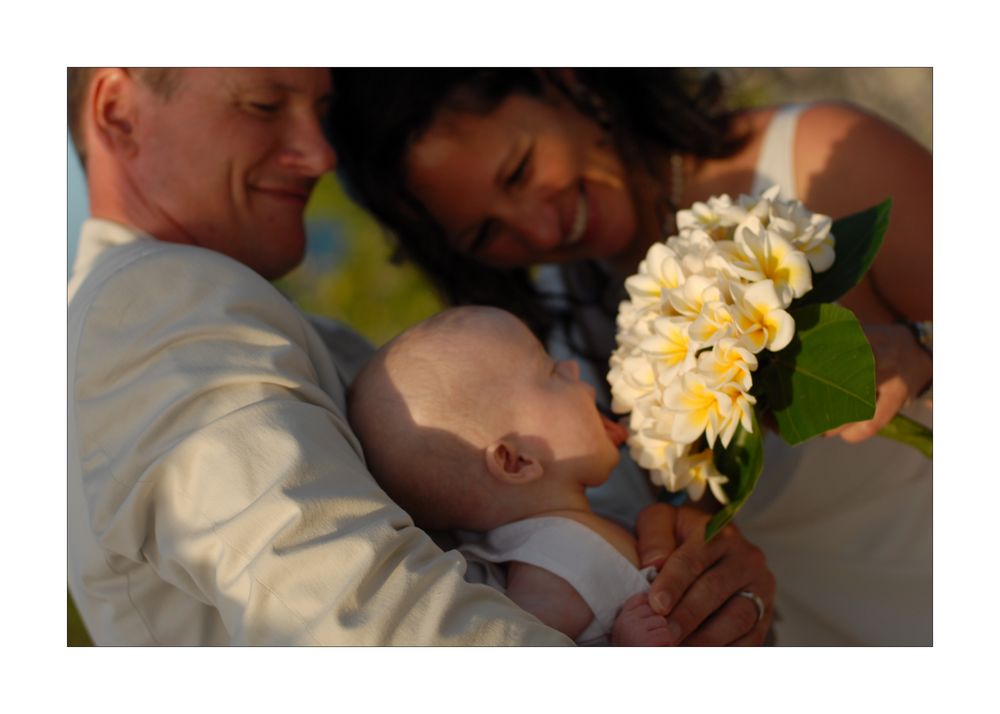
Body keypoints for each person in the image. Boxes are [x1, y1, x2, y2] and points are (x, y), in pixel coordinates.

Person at [67, 67, 773, 646]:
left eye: (319, 110)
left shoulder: (253, 323)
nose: (320, 156)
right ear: (118, 110)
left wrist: (681, 572)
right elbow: (357, 620)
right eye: (262, 104)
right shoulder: (157, 299)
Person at [329, 68, 933, 645]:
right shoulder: (555, 336)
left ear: (560, 78)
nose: (540, 233)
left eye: (519, 172)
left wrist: (922, 353)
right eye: (486, 234)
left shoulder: (816, 160)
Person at [349, 305, 770, 645]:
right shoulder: (551, 565)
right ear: (517, 462)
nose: (572, 368)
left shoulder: (568, 536)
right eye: (550, 371)